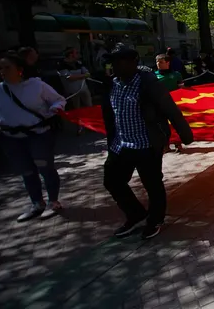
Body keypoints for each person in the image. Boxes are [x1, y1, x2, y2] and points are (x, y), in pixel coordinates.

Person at [101, 46, 193, 240]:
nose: (115, 66)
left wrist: (185, 134)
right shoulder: (112, 84)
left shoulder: (148, 83)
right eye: (113, 62)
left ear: (133, 62)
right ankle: (135, 214)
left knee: (152, 185)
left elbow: (170, 109)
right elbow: (110, 114)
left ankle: (155, 220)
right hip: (121, 145)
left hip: (146, 144)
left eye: (120, 62)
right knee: (112, 181)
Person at [0, 53, 66, 221]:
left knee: (45, 168)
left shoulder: (36, 85)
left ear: (19, 70)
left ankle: (53, 202)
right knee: (26, 171)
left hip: (38, 135)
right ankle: (37, 203)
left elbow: (59, 100)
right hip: (11, 138)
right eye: (0, 68)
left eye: (7, 67)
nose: (2, 71)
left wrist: (56, 108)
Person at [57, 48, 93, 134]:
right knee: (77, 109)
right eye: (76, 53)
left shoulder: (79, 63)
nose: (78, 55)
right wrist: (82, 76)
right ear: (70, 55)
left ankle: (91, 125)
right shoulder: (61, 65)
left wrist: (80, 76)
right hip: (73, 92)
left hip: (84, 89)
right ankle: (79, 127)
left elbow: (87, 74)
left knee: (89, 107)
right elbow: (69, 78)